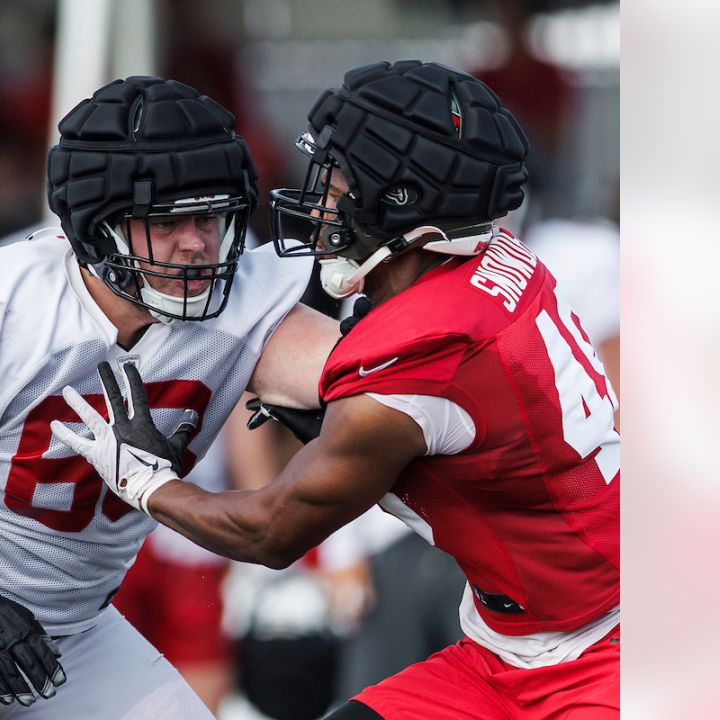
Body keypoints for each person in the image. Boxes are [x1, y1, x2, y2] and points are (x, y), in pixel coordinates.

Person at [56, 61, 620, 719]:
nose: (323, 198)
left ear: (403, 202)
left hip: (597, 660)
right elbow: (455, 436)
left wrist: (146, 483)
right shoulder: (500, 264)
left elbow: (272, 532)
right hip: (512, 645)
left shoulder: (424, 350)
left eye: (342, 179)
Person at [0, 76, 340, 719]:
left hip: (75, 629)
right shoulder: (8, 308)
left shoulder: (247, 299)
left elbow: (377, 384)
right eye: (166, 222)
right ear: (98, 226)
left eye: (210, 216)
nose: (195, 243)